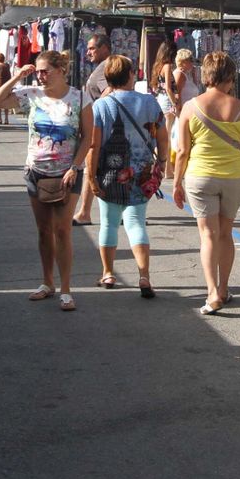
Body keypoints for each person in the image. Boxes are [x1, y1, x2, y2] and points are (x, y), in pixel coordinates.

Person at [0, 49, 93, 312]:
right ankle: (47, 282)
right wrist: (17, 77)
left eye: (45, 70)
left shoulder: (79, 97)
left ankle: (67, 289)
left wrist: (75, 167)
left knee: (63, 230)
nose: (41, 75)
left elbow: (88, 137)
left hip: (67, 172)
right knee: (44, 230)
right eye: (37, 70)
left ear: (61, 70)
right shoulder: (31, 95)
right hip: (36, 170)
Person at [174, 51, 240, 314]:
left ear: (205, 75)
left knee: (208, 235)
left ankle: (212, 292)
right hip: (234, 178)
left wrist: (177, 183)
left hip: (199, 176)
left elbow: (182, 151)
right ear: (230, 77)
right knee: (225, 233)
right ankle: (224, 288)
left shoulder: (190, 107)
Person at [85, 55, 166, 297]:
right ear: (131, 75)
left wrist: (91, 176)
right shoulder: (150, 102)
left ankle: (108, 272)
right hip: (141, 174)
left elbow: (93, 145)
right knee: (136, 223)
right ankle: (144, 275)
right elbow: (162, 137)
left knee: (109, 223)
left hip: (109, 173)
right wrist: (161, 164)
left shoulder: (101, 106)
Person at [71, 32, 112, 226]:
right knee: (99, 169)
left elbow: (111, 89)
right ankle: (92, 211)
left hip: (101, 128)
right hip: (102, 127)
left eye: (92, 48)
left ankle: (85, 212)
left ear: (105, 48)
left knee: (91, 169)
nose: (88, 52)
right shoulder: (105, 66)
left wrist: (93, 109)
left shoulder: (105, 67)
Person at [149, 43, 178, 179]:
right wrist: (175, 103)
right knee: (167, 136)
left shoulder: (158, 66)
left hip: (161, 99)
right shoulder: (167, 67)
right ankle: (167, 170)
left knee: (164, 134)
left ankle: (165, 168)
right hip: (167, 101)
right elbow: (168, 88)